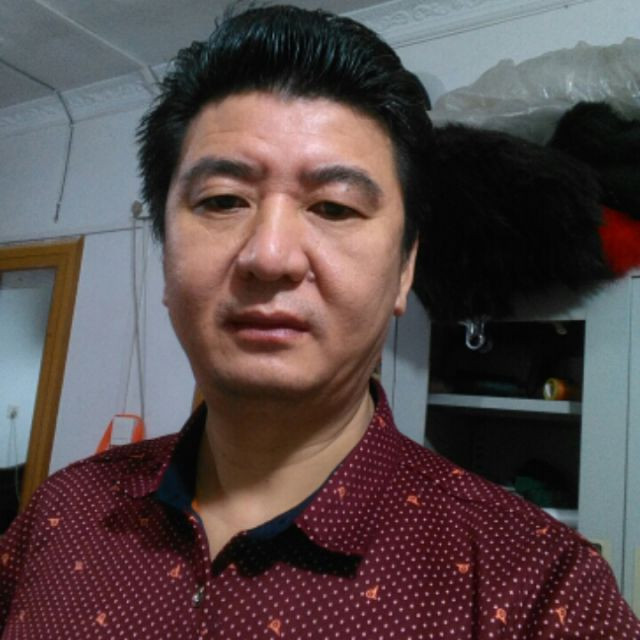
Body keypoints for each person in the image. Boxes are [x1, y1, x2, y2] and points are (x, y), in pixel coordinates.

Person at [1, 5, 639, 639]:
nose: (270, 256)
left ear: (405, 270)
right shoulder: (59, 514)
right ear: (165, 256)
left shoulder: (537, 589)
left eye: (334, 207)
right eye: (222, 200)